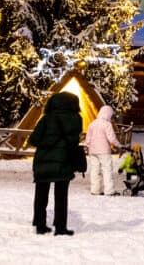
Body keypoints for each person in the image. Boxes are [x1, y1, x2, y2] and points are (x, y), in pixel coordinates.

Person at [27, 91, 82, 236]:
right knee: (61, 196)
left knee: (41, 195)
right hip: (64, 161)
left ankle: (40, 225)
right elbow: (74, 141)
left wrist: (47, 143)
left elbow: (33, 140)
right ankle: (60, 227)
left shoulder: (46, 119)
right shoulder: (76, 119)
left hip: (43, 162)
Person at [84, 105, 120, 196]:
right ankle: (109, 190)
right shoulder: (107, 124)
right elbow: (111, 138)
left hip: (93, 151)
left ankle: (95, 190)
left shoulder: (92, 124)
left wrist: (89, 147)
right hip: (104, 151)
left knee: (95, 171)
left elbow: (87, 139)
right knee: (107, 170)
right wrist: (119, 145)